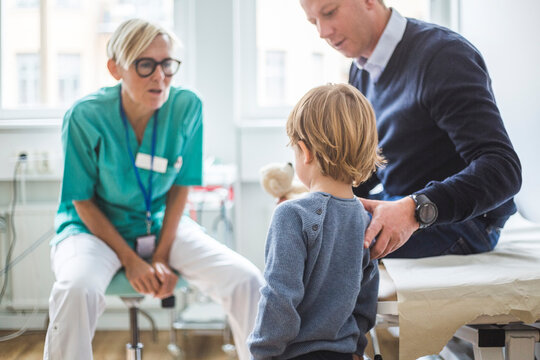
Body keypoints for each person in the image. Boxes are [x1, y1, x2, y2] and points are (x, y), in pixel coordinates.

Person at [44, 18, 264, 360]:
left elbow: (180, 187)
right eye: (145, 65)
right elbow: (81, 201)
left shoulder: (186, 106)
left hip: (157, 224)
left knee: (246, 280)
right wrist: (131, 261)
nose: (159, 76)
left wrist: (160, 255)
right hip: (90, 230)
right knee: (75, 290)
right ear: (115, 68)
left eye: (167, 64)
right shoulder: (85, 116)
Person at [300, 0, 522, 260]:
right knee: (308, 226)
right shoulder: (361, 70)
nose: (323, 32)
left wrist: (416, 209)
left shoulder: (444, 56)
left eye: (329, 13)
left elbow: (503, 168)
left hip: (465, 219)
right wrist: (328, 201)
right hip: (401, 198)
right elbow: (374, 158)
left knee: (325, 250)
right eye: (313, 21)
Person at [248, 83, 383, 360]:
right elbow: (366, 300)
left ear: (304, 151)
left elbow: (279, 299)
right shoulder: (366, 219)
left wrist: (261, 354)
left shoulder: (291, 214)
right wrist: (356, 348)